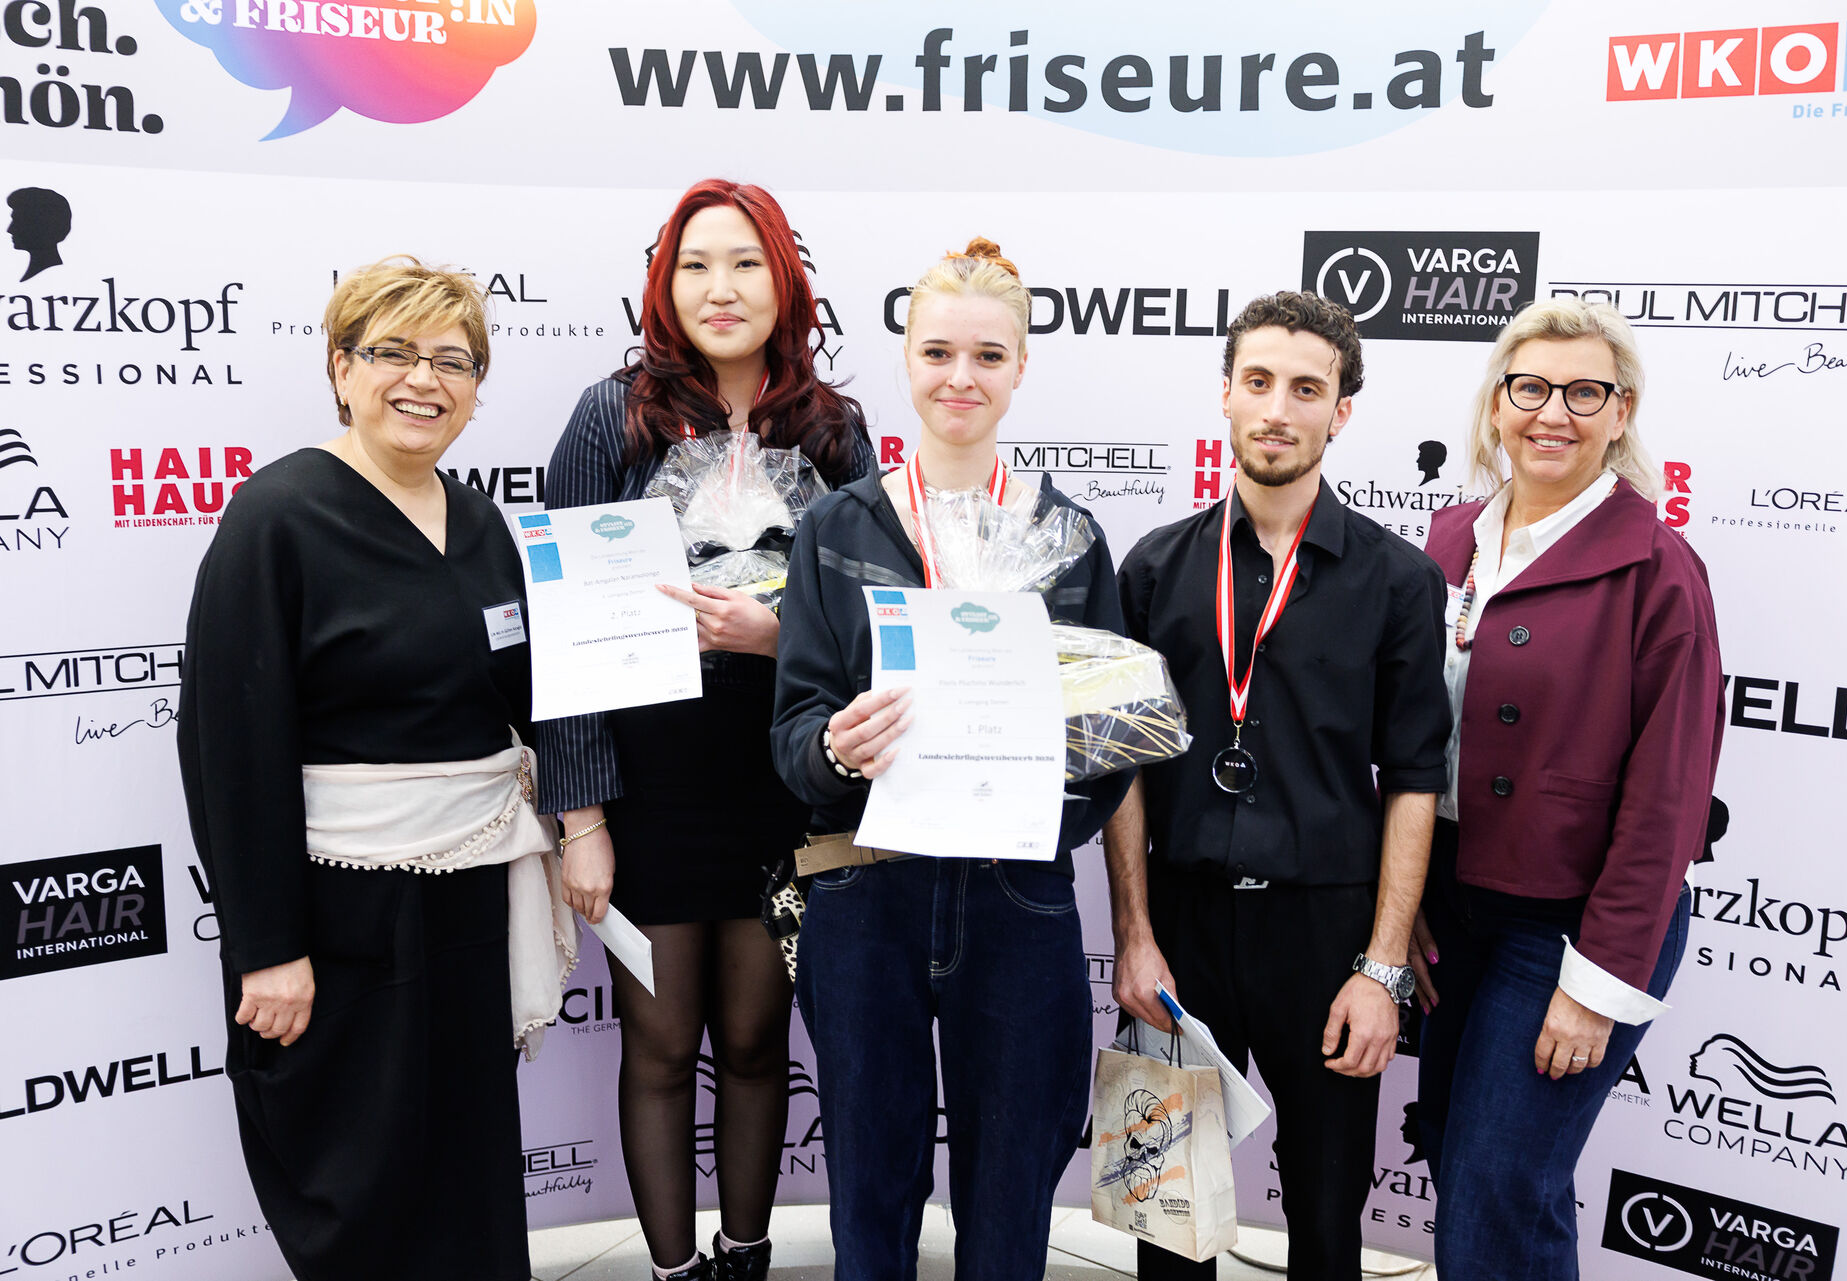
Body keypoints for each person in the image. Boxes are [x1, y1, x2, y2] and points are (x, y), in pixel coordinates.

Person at [177, 257, 570, 1281]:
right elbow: (230, 747)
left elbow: (524, 693)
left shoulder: (480, 523)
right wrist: (268, 948)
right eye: (393, 352)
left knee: (468, 1164)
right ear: (341, 368)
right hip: (338, 915)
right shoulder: (277, 517)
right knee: (365, 1179)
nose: (423, 380)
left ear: (476, 388)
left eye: (453, 360)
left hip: (469, 899)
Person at [769, 239, 1134, 1281]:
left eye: (987, 355)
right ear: (906, 360)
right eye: (937, 353)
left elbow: (1110, 745)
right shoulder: (837, 528)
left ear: (1020, 368)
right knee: (869, 1189)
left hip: (1016, 894)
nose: (960, 378)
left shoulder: (1069, 537)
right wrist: (835, 749)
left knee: (1011, 1194)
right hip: (865, 889)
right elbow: (792, 732)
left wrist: (1029, 800)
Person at [538, 179, 874, 1281]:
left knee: (758, 1040)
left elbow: (879, 621)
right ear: (664, 284)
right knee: (659, 1042)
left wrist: (778, 637)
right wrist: (581, 815)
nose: (719, 289)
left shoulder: (833, 429)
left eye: (743, 263)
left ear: (784, 280)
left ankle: (744, 1256)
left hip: (786, 781)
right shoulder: (613, 416)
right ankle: (674, 1272)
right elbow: (563, 627)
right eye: (694, 265)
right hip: (649, 784)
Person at [1103, 291, 1450, 1281]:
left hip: (1325, 936)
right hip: (1179, 929)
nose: (1277, 408)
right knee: (1169, 1221)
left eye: (1306, 388)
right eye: (1257, 381)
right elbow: (1124, 766)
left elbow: (1415, 780)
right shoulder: (1154, 568)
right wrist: (1135, 936)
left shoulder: (1399, 581)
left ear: (1342, 411)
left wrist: (1382, 969)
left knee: (1328, 1223)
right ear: (1225, 393)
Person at [1411, 297, 1723, 1279]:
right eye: (1532, 388)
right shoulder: (1448, 539)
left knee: (1500, 1186)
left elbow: (1668, 803)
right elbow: (1409, 741)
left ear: (1621, 411)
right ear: (1498, 403)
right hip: (1451, 908)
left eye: (1585, 392)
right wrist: (1403, 904)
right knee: (1468, 1163)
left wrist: (1596, 987)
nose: (1554, 413)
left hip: (1569, 930)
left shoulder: (1659, 570)